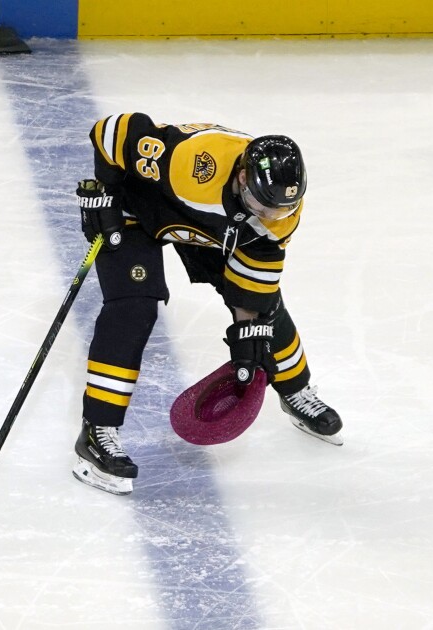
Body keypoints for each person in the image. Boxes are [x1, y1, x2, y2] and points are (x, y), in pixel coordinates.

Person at [72, 113, 343, 496]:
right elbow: (111, 130)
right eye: (261, 206)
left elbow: (252, 294)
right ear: (243, 178)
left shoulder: (279, 215)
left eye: (277, 211)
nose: (268, 217)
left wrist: (249, 344)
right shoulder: (194, 162)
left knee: (266, 310)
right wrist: (105, 190)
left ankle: (296, 389)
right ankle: (97, 430)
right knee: (133, 309)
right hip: (140, 209)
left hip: (215, 230)